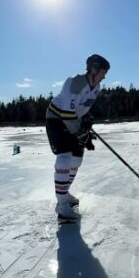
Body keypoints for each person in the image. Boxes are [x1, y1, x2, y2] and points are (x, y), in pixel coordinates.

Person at [45, 53, 110, 221]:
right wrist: (80, 132)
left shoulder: (96, 88)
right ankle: (61, 204)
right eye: (103, 72)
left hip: (72, 121)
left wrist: (85, 121)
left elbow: (81, 109)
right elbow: (66, 114)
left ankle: (64, 194)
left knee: (77, 158)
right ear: (94, 70)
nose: (105, 76)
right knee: (65, 156)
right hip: (57, 120)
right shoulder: (75, 83)